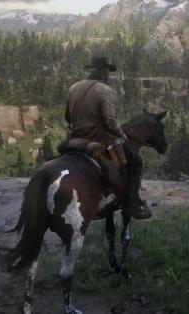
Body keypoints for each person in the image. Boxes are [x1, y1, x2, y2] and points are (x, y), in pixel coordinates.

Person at [65, 57, 152, 220]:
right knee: (136, 163)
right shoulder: (105, 90)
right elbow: (109, 122)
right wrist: (121, 134)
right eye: (108, 72)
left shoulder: (73, 87)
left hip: (75, 140)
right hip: (98, 140)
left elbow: (67, 118)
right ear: (104, 72)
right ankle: (131, 204)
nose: (108, 75)